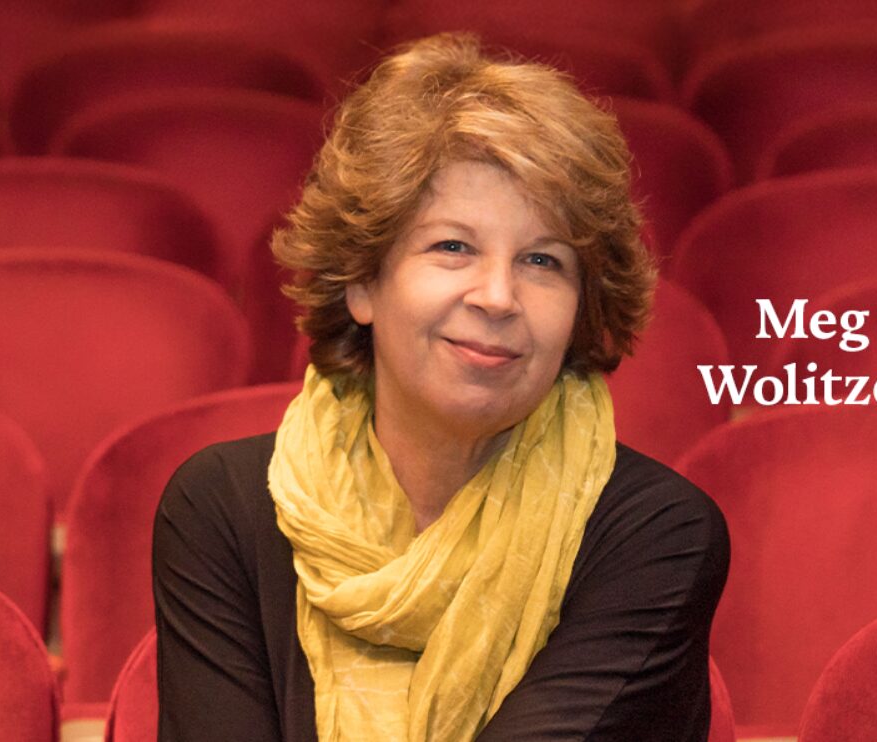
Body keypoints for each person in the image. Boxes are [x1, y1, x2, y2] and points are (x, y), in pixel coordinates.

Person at [153, 33, 729, 741]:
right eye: (452, 246)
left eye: (543, 260)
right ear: (364, 280)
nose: (498, 296)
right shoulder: (222, 509)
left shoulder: (657, 537)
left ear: (582, 308)